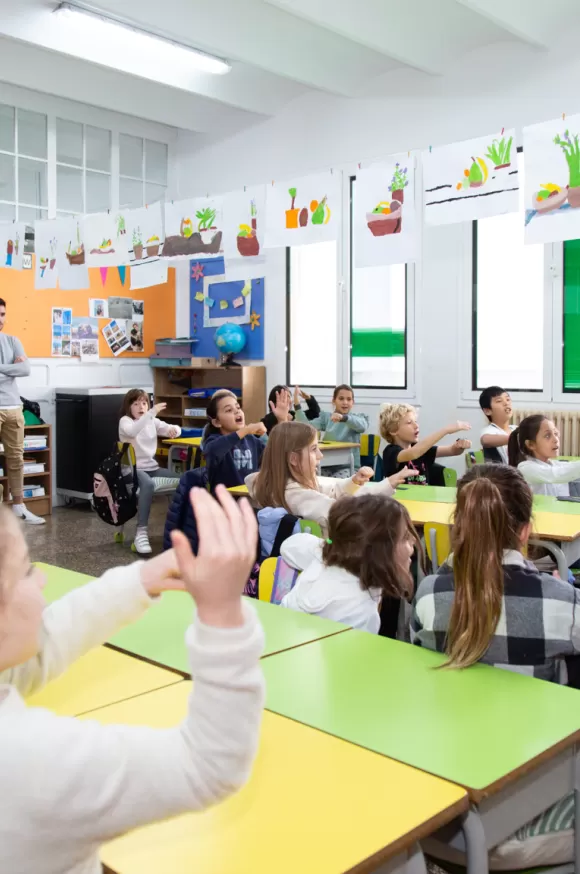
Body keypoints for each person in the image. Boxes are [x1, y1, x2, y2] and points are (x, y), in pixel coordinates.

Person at [0, 485, 265, 874]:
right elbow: (206, 765)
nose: (40, 580)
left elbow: (40, 650)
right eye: (26, 570)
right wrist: (223, 615)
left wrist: (141, 579)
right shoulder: (30, 761)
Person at [412, 463, 579, 869]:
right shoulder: (563, 602)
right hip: (528, 813)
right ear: (525, 530)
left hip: (441, 817)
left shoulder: (429, 594)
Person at [281, 493, 419, 635]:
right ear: (380, 553)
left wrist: (332, 547)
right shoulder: (363, 614)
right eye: (405, 537)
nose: (414, 539)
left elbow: (288, 546)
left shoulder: (324, 562)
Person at [245, 421, 411, 537]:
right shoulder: (296, 495)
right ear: (294, 459)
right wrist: (386, 484)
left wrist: (353, 482)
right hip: (321, 560)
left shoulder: (276, 485)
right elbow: (338, 509)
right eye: (314, 449)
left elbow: (331, 491)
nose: (320, 455)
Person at [118, 388, 181, 555]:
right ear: (128, 406)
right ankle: (141, 532)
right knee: (147, 484)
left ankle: (178, 527)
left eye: (144, 403)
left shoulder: (151, 421)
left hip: (152, 468)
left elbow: (170, 427)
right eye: (136, 403)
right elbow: (133, 431)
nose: (141, 406)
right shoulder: (125, 421)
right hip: (132, 471)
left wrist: (174, 430)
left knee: (184, 480)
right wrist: (151, 413)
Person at [0, 298, 44, 525]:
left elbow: (25, 369)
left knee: (16, 458)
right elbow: (17, 369)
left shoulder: (12, 340)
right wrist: (11, 369)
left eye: (2, 314)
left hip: (13, 407)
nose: (0, 320)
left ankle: (19, 506)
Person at [379, 403, 472, 486]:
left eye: (415, 421)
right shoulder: (391, 451)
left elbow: (452, 451)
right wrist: (445, 430)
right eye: (409, 423)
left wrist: (459, 446)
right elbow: (413, 454)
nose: (416, 426)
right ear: (393, 430)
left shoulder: (420, 449)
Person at [294, 384, 368, 472]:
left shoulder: (356, 418)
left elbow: (362, 426)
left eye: (349, 399)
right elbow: (305, 427)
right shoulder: (327, 417)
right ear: (334, 401)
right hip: (326, 466)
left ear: (353, 402)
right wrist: (297, 404)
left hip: (348, 468)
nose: (345, 402)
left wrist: (344, 418)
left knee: (334, 482)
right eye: (341, 398)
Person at [202, 389, 266, 490]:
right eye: (228, 410)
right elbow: (213, 450)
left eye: (238, 407)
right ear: (217, 422)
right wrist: (246, 430)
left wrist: (281, 419)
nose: (237, 411)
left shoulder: (251, 440)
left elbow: (274, 457)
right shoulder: (214, 441)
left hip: (250, 499)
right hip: (226, 502)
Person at [508, 414, 580, 496]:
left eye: (555, 433)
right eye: (547, 436)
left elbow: (569, 468)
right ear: (531, 444)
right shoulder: (526, 468)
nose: (556, 439)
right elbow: (556, 474)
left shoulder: (554, 464)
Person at [479, 385, 515, 463]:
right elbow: (485, 440)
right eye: (499, 401)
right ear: (487, 411)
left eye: (508, 399)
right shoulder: (489, 430)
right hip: (504, 473)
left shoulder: (516, 429)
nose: (506, 403)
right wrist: (515, 438)